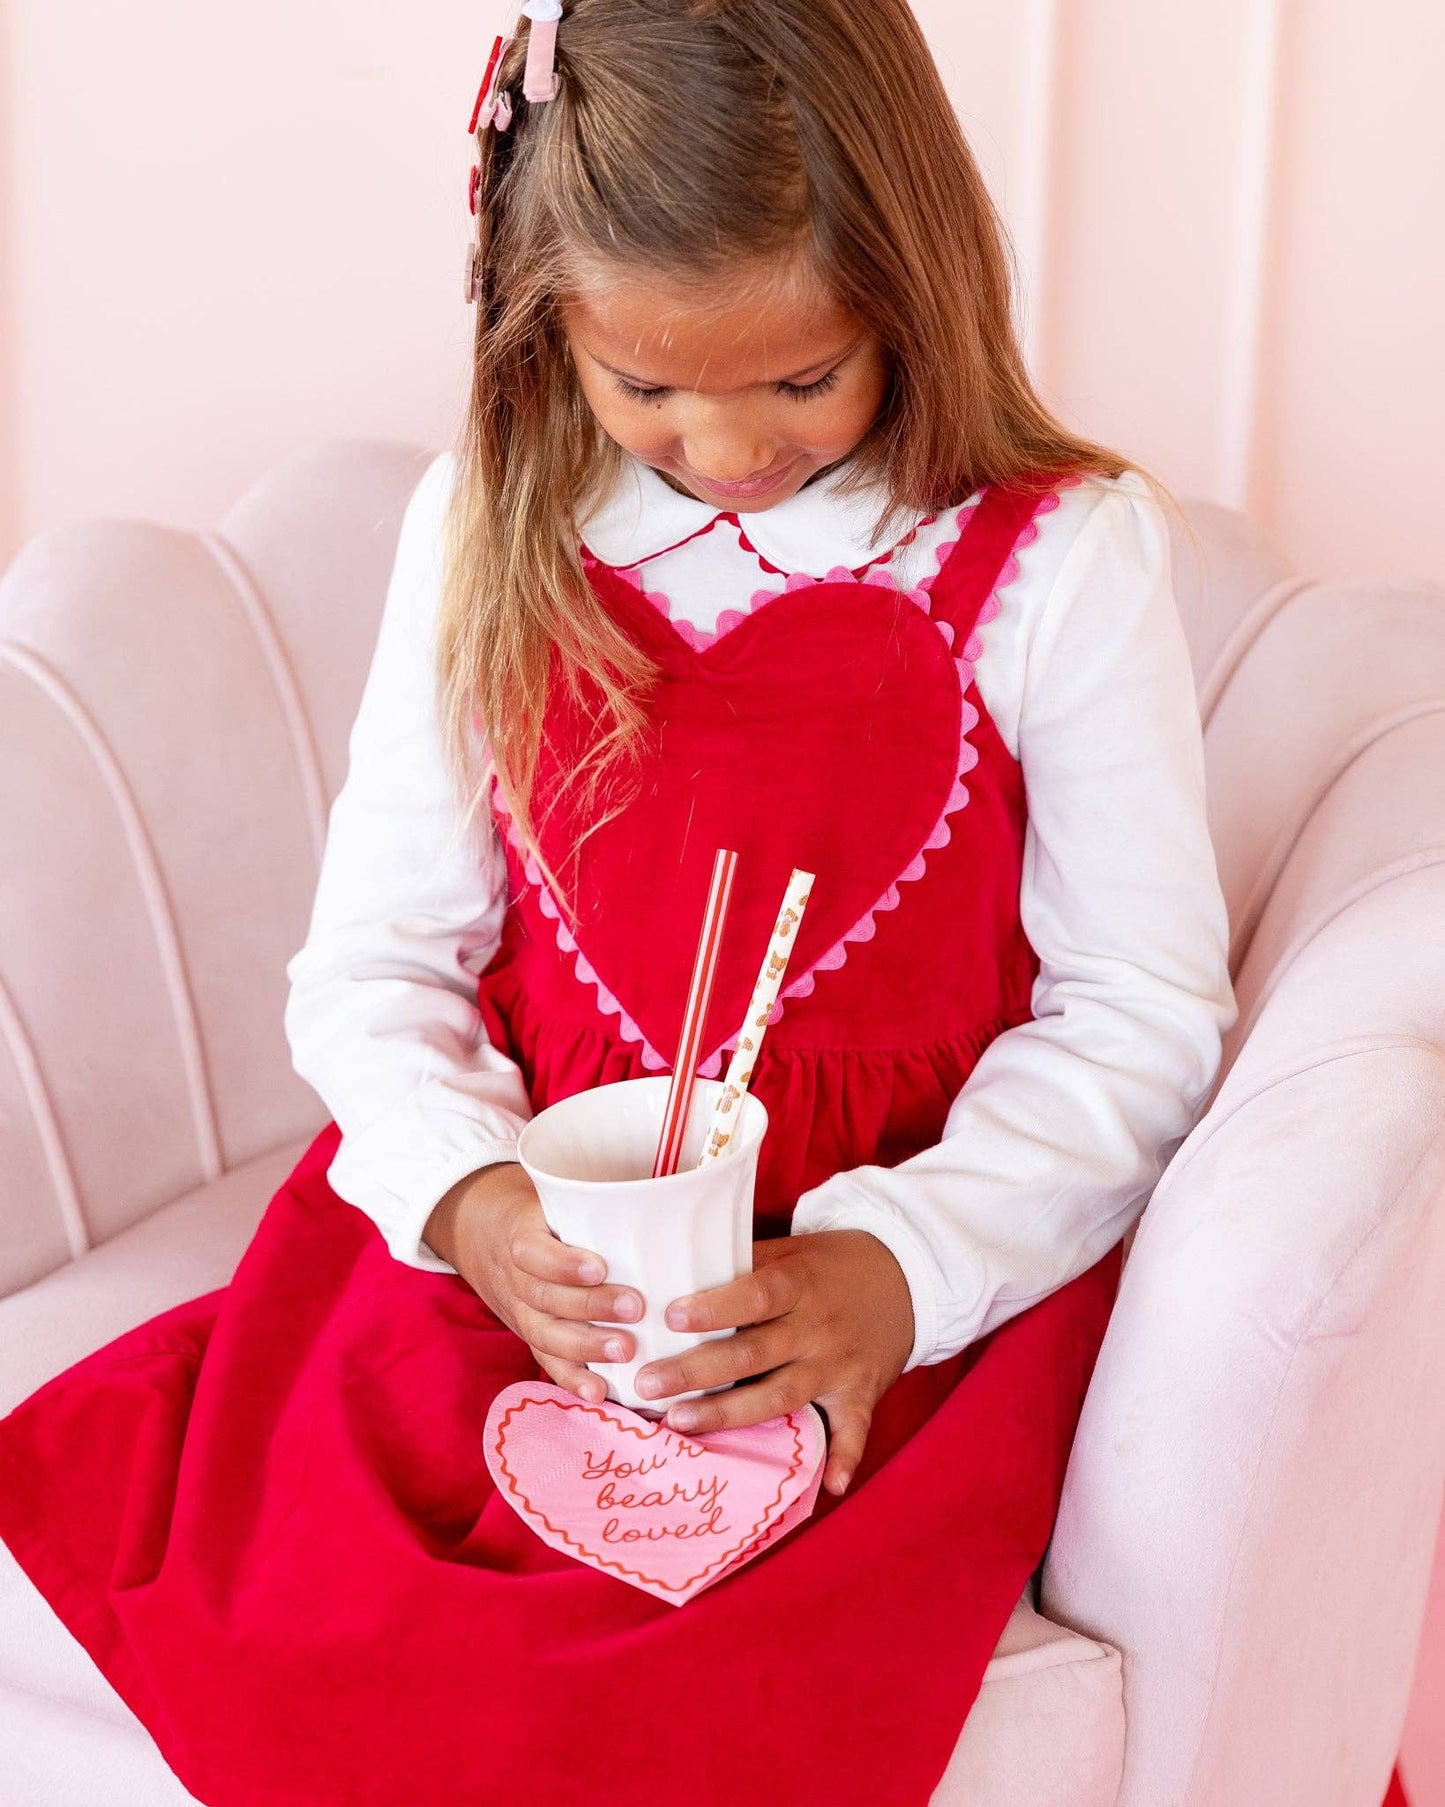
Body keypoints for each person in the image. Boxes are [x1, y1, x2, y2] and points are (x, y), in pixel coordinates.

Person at [0, 2, 1236, 1802]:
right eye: (645, 388)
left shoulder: (1059, 554)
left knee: (689, 1702)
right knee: (334, 1629)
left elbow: (1137, 1008)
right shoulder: (490, 519)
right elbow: (374, 968)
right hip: (531, 1254)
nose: (727, 448)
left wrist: (901, 1269)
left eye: (800, 381)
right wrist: (478, 1202)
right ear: (540, 328)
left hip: (863, 1277)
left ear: (917, 288)